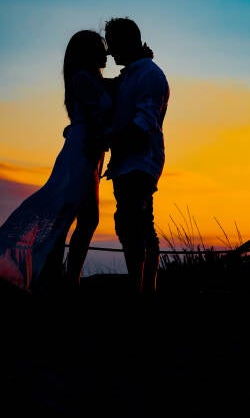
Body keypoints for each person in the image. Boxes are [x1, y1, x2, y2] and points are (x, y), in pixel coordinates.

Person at [0, 30, 113, 292]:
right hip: (82, 150)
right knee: (77, 214)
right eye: (100, 47)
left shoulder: (89, 78)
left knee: (74, 214)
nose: (105, 52)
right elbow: (99, 113)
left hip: (89, 151)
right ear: (87, 53)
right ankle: (65, 278)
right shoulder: (84, 78)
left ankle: (60, 276)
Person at [102, 17, 169, 295]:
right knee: (130, 222)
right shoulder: (131, 74)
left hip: (141, 161)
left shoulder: (150, 75)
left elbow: (144, 124)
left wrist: (107, 139)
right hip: (126, 162)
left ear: (127, 42)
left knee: (136, 222)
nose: (111, 53)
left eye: (113, 45)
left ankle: (144, 289)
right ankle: (140, 286)